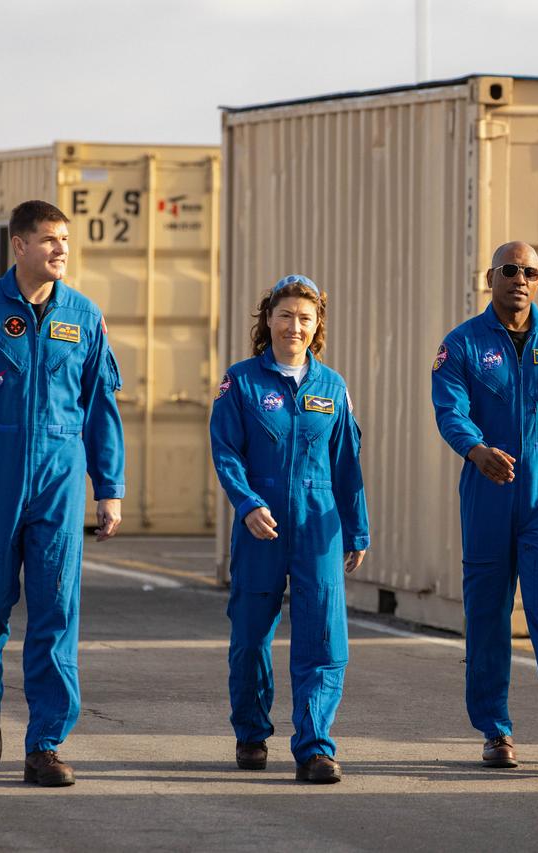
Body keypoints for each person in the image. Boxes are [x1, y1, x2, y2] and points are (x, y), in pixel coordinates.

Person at [0, 200, 125, 787]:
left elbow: (101, 409)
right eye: (48, 240)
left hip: (59, 482)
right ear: (18, 245)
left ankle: (45, 743)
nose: (60, 249)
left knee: (57, 612)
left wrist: (108, 488)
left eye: (65, 240)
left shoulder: (84, 317)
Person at [431, 241, 538, 772]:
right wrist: (476, 449)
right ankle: (495, 729)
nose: (520, 279)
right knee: (487, 616)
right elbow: (450, 409)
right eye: (510, 270)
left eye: (530, 271)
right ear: (491, 277)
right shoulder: (461, 344)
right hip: (488, 491)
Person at [210, 274, 369, 785]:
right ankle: (252, 733)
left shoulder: (332, 386)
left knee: (323, 638)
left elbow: (347, 462)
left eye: (305, 318)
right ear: (268, 321)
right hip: (262, 526)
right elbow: (226, 451)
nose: (294, 326)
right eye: (285, 316)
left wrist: (357, 528)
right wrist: (248, 503)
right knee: (251, 637)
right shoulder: (241, 382)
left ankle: (315, 746)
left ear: (317, 325)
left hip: (319, 523)